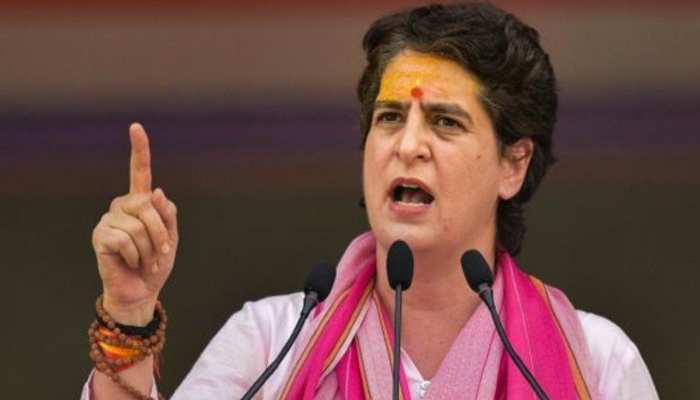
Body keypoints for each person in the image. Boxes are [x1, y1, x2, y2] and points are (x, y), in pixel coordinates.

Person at [82, 3, 659, 399]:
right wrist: (129, 312)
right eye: (389, 118)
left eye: (445, 122)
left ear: (513, 164)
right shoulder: (273, 342)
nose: (408, 145)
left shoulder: (597, 362)